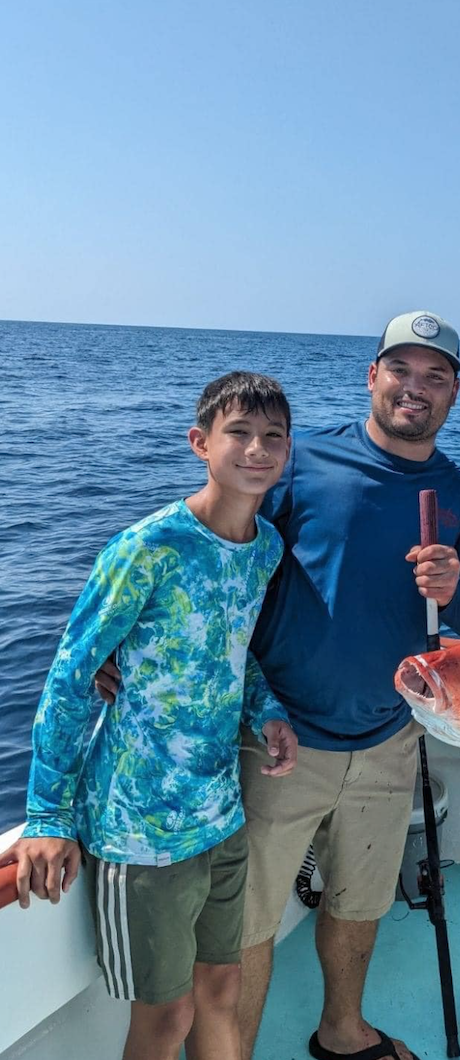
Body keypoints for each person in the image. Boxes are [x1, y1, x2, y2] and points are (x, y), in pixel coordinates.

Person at [96, 311, 460, 1060]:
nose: (414, 388)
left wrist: (456, 591)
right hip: (277, 737)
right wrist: (129, 637)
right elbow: (214, 550)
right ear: (372, 376)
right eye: (401, 370)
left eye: (434, 377)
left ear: (454, 393)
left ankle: (342, 1031)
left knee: (362, 901)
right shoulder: (299, 462)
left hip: (392, 735)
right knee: (245, 924)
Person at [0, 372, 299, 1060]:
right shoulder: (147, 549)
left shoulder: (266, 549)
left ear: (288, 452)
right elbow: (72, 675)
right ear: (200, 442)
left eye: (273, 438)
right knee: (165, 1020)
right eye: (240, 434)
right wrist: (47, 815)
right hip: (140, 832)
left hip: (221, 815)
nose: (257, 449)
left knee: (223, 988)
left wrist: (268, 710)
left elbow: (231, 652)